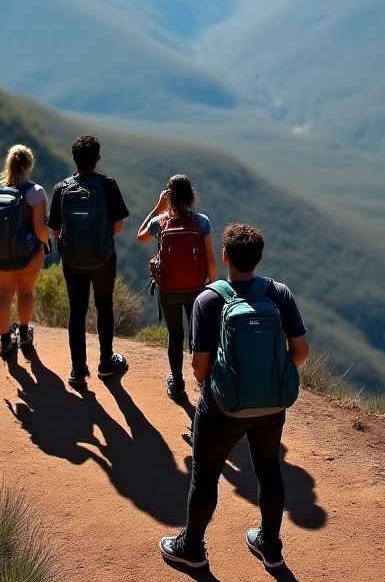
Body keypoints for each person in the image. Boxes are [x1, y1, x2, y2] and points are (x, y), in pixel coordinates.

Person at [159, 222, 309, 574]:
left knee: (205, 475)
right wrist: (271, 375)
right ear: (259, 258)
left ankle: (191, 548)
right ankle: (270, 546)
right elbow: (300, 351)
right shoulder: (279, 293)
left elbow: (198, 367)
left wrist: (215, 384)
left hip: (222, 407)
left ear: (225, 256)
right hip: (272, 404)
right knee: (269, 469)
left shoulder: (209, 299)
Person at [46, 134, 130, 385]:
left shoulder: (62, 187)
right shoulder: (108, 184)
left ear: (74, 159)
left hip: (72, 261)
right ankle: (105, 363)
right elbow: (118, 227)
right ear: (98, 159)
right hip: (103, 258)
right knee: (104, 306)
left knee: (77, 311)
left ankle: (78, 370)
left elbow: (56, 230)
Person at [137, 174, 217, 401]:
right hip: (197, 291)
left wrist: (157, 207)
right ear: (191, 195)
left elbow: (141, 236)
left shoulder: (160, 222)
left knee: (175, 336)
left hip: (169, 291)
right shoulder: (202, 222)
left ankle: (178, 385)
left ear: (169, 197)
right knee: (198, 336)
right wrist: (214, 288)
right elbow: (210, 260)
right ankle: (205, 383)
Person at [0, 144, 50, 359]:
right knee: (26, 292)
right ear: (29, 165)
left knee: (3, 294)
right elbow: (40, 230)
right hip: (27, 254)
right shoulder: (35, 192)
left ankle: (4, 340)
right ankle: (23, 334)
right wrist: (48, 242)